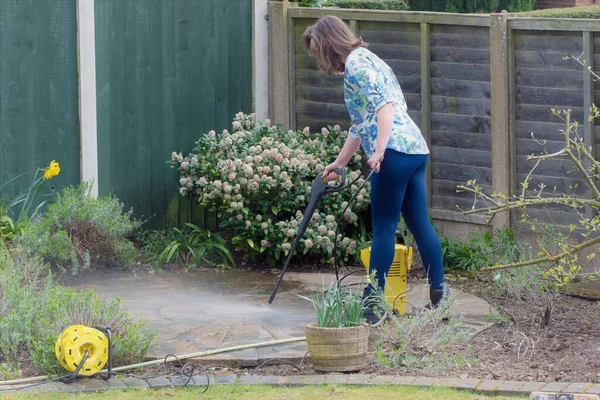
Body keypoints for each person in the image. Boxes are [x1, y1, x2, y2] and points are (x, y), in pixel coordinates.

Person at [302, 16, 445, 320]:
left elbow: (385, 107)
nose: (318, 58)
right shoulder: (369, 59)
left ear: (327, 44)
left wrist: (379, 150)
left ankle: (372, 305)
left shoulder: (355, 62)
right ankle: (439, 299)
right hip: (415, 149)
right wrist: (340, 163)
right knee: (420, 225)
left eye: (317, 50)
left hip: (392, 151)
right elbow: (361, 123)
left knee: (383, 227)